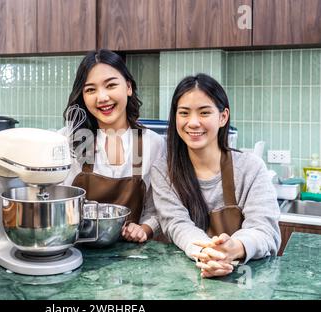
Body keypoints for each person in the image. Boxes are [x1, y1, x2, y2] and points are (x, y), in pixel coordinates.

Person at [151, 73, 281, 277]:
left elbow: (265, 230)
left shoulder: (250, 168)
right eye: (184, 113)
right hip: (187, 281)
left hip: (246, 281)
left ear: (223, 117)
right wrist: (206, 253)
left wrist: (234, 248)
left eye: (204, 113)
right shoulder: (163, 171)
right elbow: (177, 224)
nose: (193, 122)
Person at [61, 49, 165, 243]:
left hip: (131, 258)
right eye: (90, 89)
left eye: (110, 85)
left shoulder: (152, 144)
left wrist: (144, 228)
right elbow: (52, 200)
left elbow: (157, 209)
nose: (102, 97)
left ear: (128, 87)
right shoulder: (68, 140)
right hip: (74, 253)